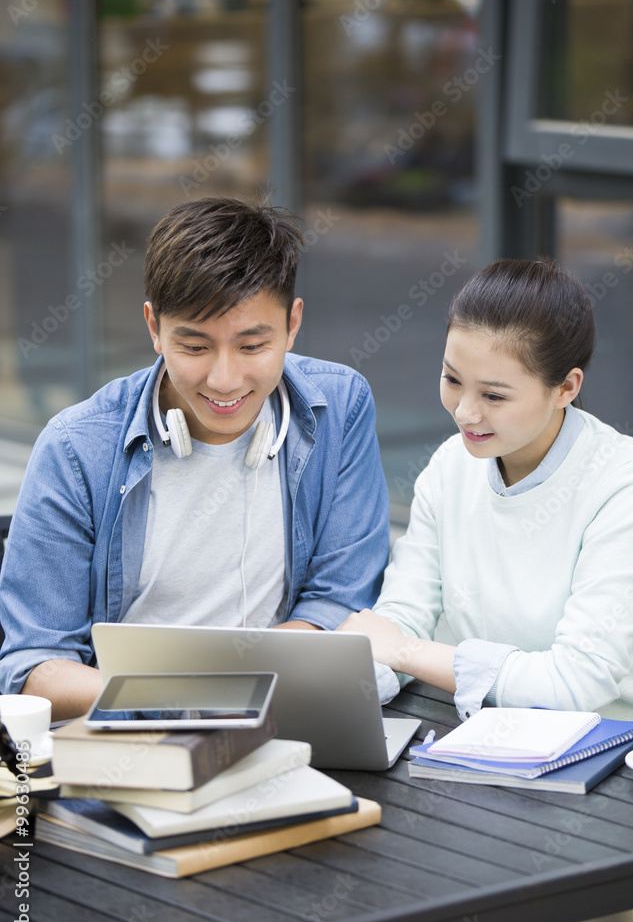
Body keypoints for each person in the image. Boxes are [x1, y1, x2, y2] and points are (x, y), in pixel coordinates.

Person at [339, 257, 633, 922]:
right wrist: (346, 672)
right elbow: (402, 613)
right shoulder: (451, 466)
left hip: (626, 795)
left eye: (493, 393)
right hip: (481, 768)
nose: (463, 412)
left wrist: (402, 655)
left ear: (565, 388)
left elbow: (575, 684)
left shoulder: (627, 484)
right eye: (451, 380)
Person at [0, 197, 390, 720]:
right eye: (195, 347)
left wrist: (248, 692)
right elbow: (34, 665)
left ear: (293, 325)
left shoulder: (339, 407)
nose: (225, 380)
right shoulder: (75, 448)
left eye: (252, 346)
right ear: (153, 327)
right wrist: (181, 699)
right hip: (129, 728)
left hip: (285, 716)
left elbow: (342, 596)